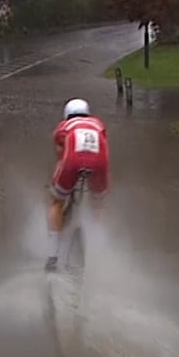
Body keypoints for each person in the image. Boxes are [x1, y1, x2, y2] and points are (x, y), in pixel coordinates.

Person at [46, 97, 109, 272]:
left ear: (67, 115)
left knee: (56, 201)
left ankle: (53, 255)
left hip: (73, 161)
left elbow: (60, 153)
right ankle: (98, 251)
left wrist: (60, 181)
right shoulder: (98, 124)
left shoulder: (63, 127)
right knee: (98, 204)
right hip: (99, 162)